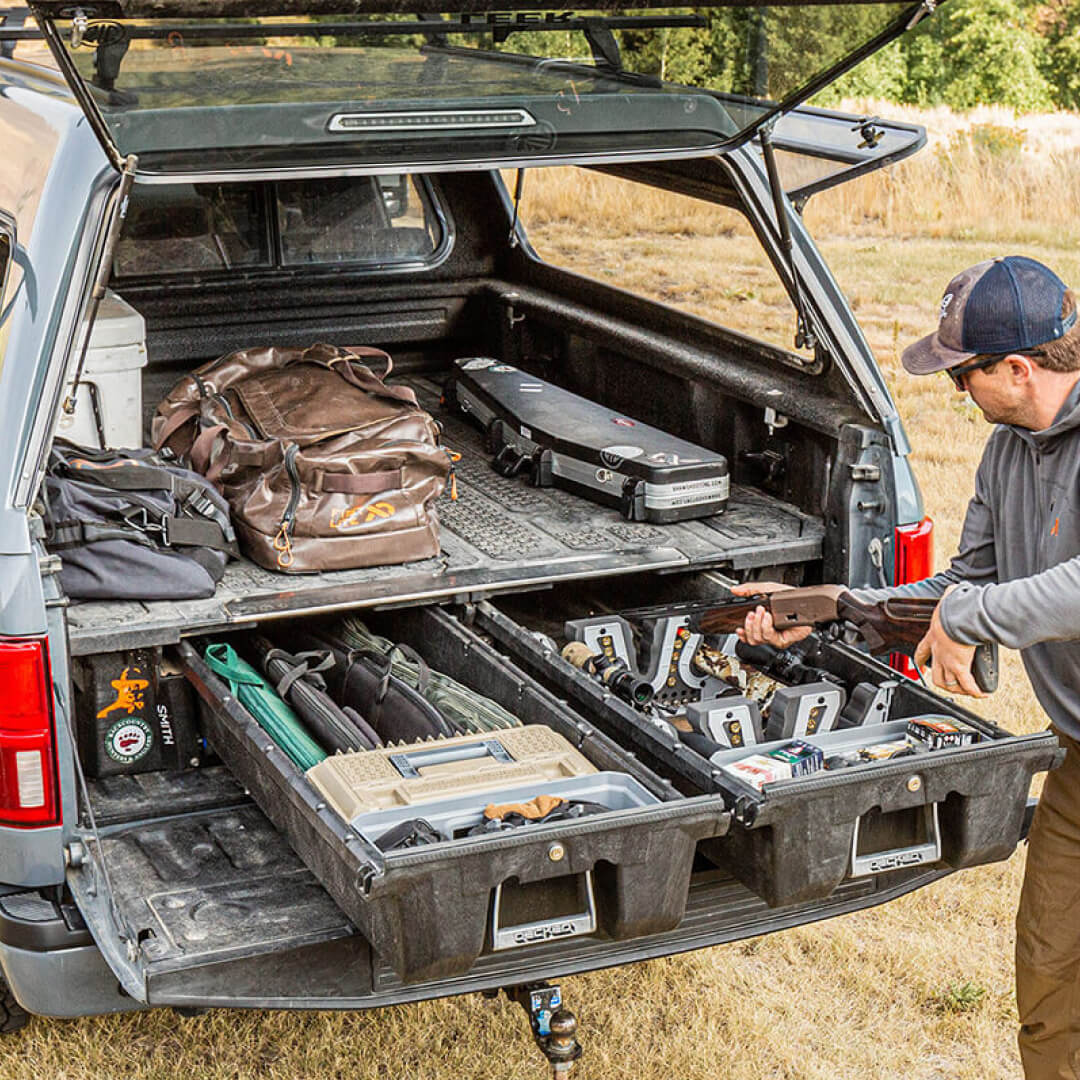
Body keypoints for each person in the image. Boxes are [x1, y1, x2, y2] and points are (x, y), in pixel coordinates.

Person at [734, 255, 1080, 1080]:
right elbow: (965, 582)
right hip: (1077, 753)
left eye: (963, 376)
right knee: (1050, 973)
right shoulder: (1008, 451)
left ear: (1018, 369)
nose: (956, 394)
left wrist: (966, 619)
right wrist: (828, 608)